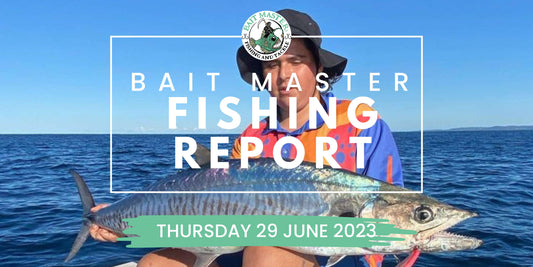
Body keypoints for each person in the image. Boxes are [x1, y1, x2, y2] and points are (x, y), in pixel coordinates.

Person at [90, 9, 413, 267]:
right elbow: (215, 210)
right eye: (272, 65)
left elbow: (387, 204)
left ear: (318, 69)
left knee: (267, 252)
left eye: (296, 61)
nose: (284, 75)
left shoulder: (362, 123)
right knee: (156, 264)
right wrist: (123, 219)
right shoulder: (251, 137)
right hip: (244, 246)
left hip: (337, 255)